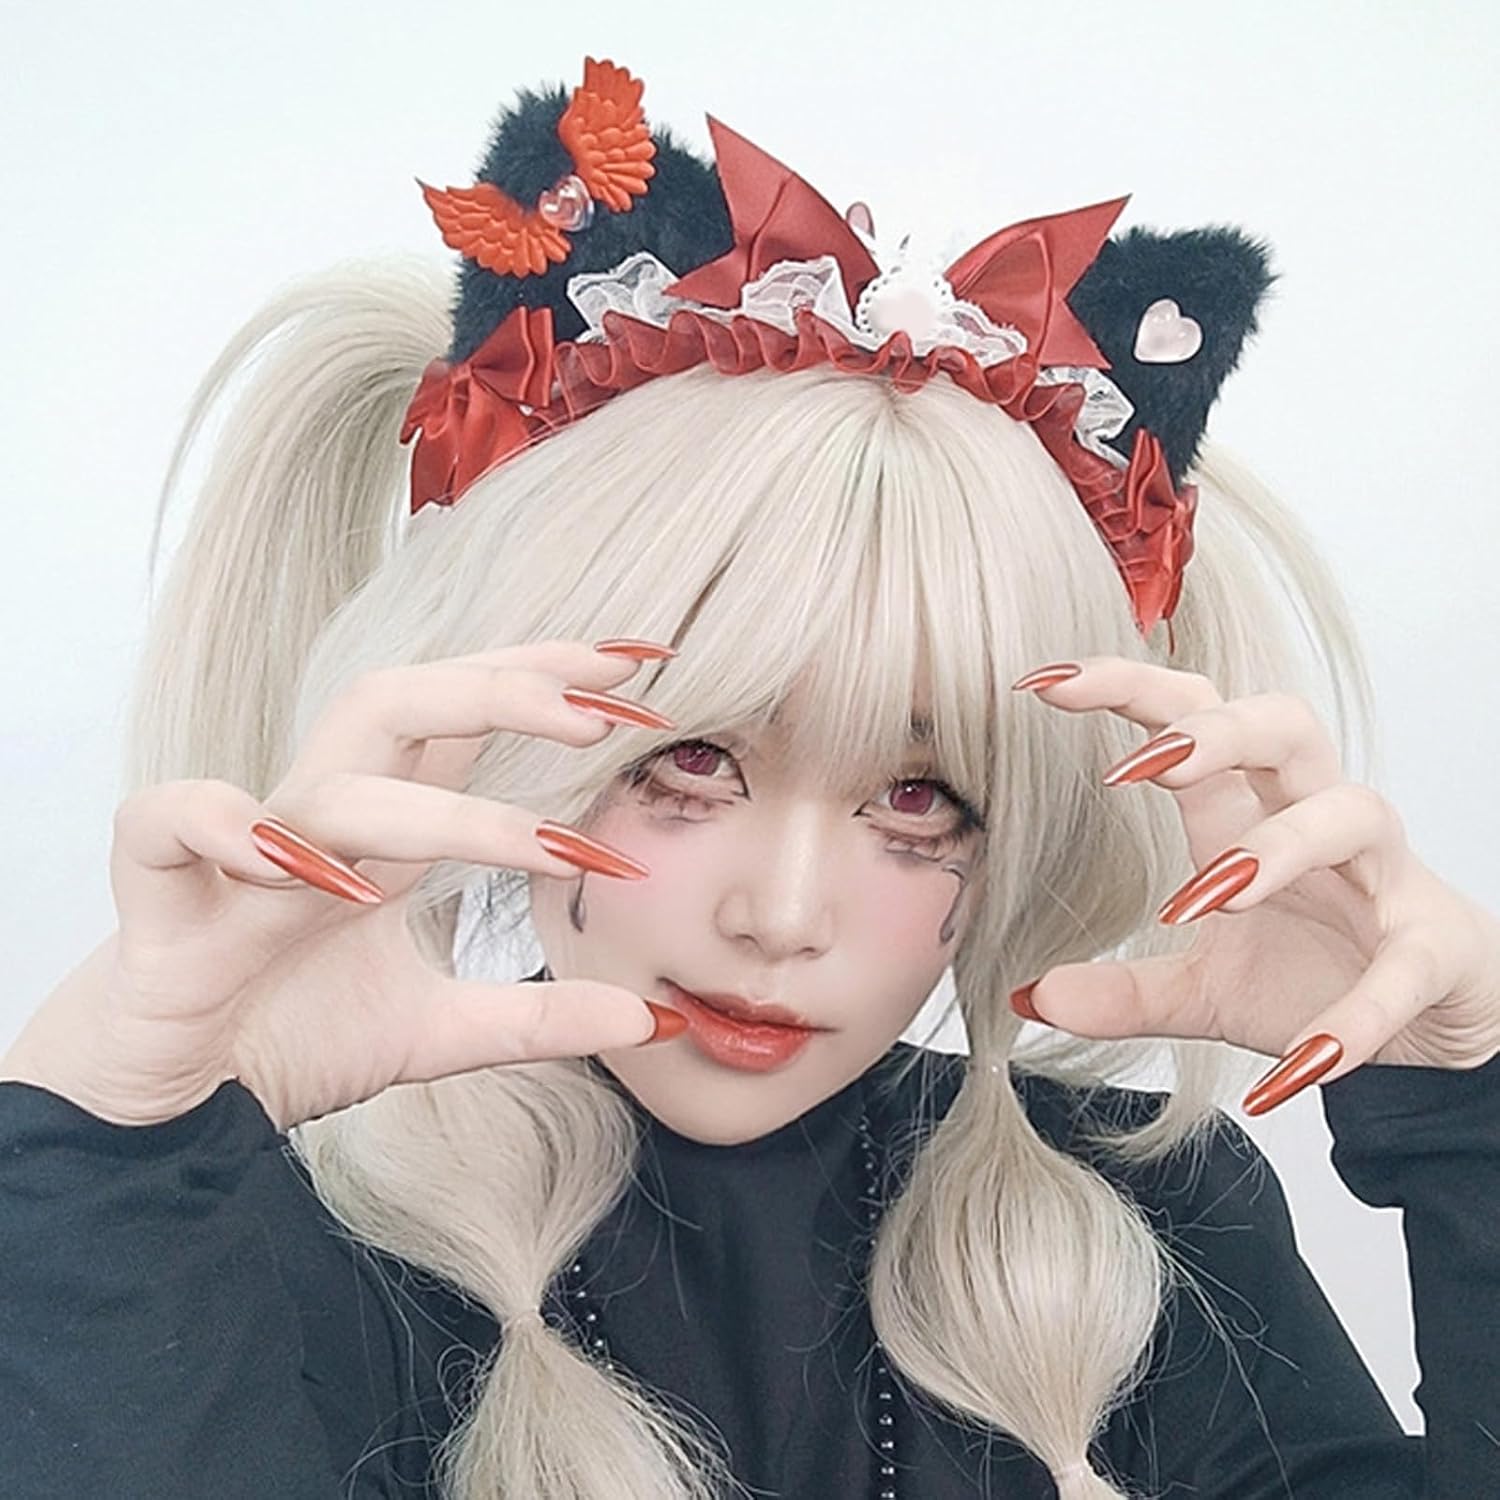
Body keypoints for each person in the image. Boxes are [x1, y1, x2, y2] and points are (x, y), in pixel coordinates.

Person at [1, 54, 1497, 1500]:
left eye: (919, 799)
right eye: (694, 761)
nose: (782, 916)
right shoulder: (265, 1255)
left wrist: (1465, 1108)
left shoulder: (1147, 1229)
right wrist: (117, 1133)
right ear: (521, 734)